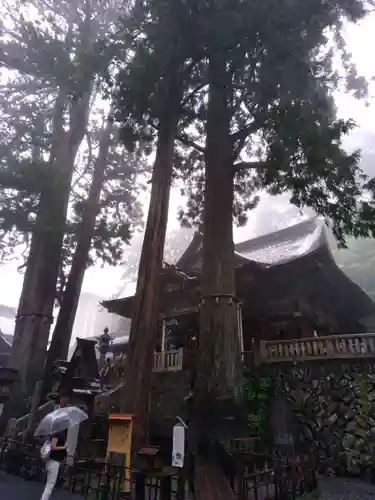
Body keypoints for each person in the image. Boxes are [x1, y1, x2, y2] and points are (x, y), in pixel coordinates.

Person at [40, 430, 68, 500]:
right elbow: (53, 447)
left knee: (49, 484)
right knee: (50, 485)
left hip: (53, 461)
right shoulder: (57, 433)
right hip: (53, 461)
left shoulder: (58, 433)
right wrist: (64, 447)